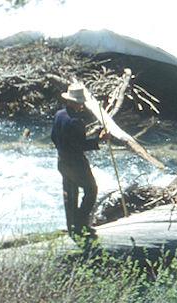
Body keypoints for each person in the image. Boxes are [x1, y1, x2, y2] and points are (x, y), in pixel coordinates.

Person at [51, 82, 107, 237]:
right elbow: (81, 145)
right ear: (76, 102)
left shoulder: (59, 115)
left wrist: (63, 149)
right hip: (76, 163)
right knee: (91, 190)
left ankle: (72, 228)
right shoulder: (76, 121)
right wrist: (99, 139)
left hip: (62, 161)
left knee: (70, 194)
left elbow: (54, 137)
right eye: (80, 101)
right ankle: (81, 224)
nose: (82, 104)